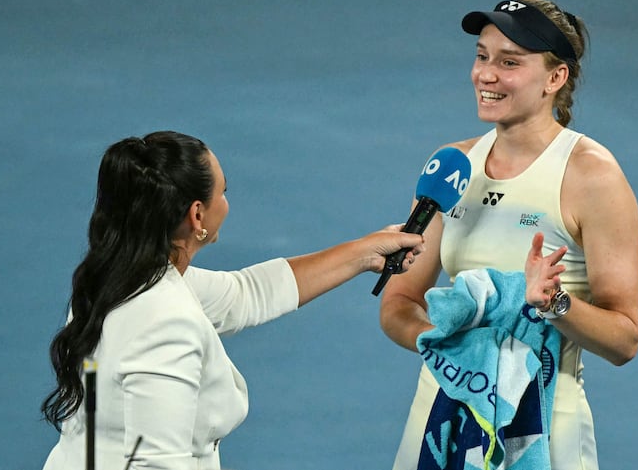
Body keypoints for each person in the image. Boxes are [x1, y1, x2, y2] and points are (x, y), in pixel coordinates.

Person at [41, 130, 425, 470]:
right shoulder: (165, 323)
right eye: (223, 192)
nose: (226, 201)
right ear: (197, 215)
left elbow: (246, 293)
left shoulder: (114, 279)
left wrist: (364, 253)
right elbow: (157, 464)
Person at [379, 0, 638, 470]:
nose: (486, 74)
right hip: (442, 414)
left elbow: (624, 339)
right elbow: (398, 302)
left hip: (544, 426)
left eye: (509, 62)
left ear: (555, 78)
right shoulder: (453, 166)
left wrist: (554, 304)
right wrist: (453, 349)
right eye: (482, 56)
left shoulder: (591, 177)